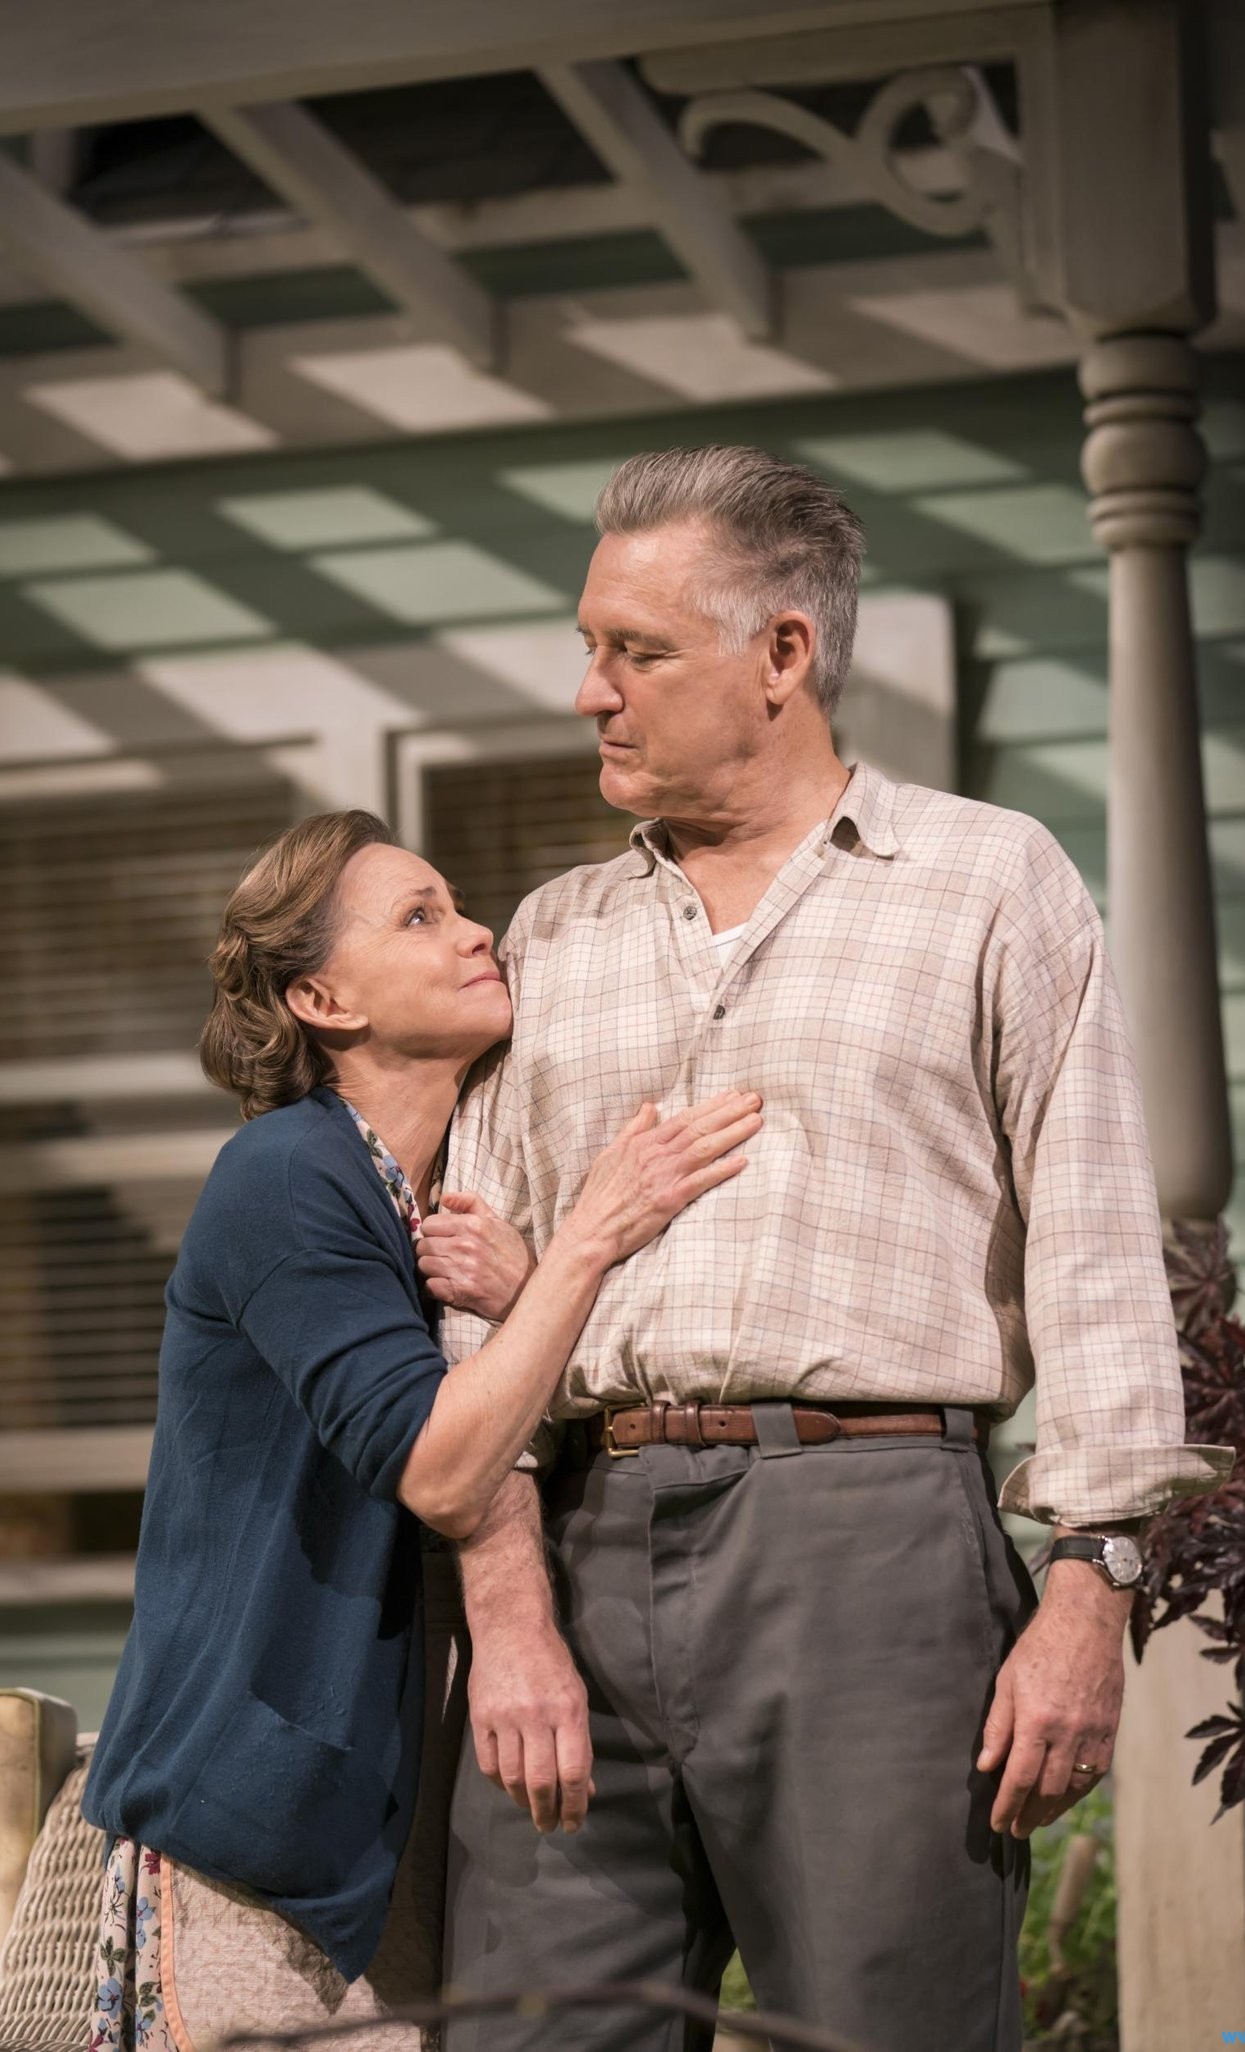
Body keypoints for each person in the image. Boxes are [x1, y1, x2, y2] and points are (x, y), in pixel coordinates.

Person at [423, 445, 1235, 2052]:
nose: (590, 692)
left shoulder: (988, 883)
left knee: (888, 2031)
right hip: (578, 1550)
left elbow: (1093, 1256)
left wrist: (1093, 1586)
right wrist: (507, 1612)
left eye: (637, 652)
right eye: (592, 646)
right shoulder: (550, 937)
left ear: (784, 654)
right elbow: (467, 1306)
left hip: (873, 1551)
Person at [81, 807, 761, 2052]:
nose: (476, 932)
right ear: (324, 997)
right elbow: (444, 1467)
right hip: (256, 1836)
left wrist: (527, 1286)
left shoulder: (424, 1196)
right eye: (420, 916)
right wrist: (597, 1235)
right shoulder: (287, 1176)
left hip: (381, 1821)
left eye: (455, 905)